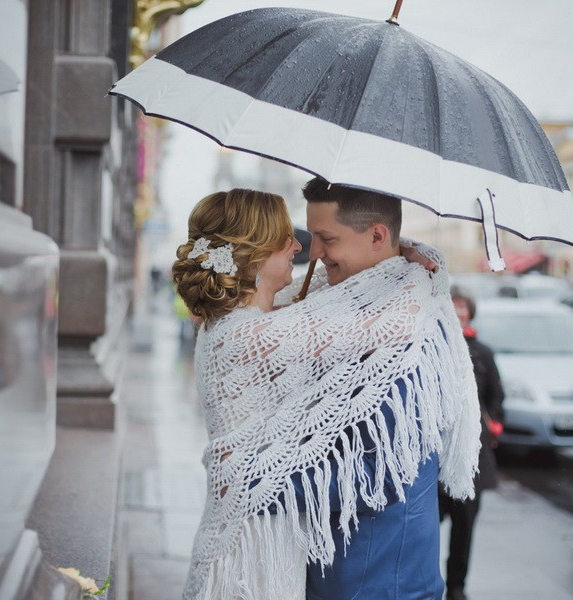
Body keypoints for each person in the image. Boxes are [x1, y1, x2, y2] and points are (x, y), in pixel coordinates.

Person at [173, 187, 480, 600]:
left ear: (375, 235)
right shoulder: (254, 330)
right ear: (255, 257)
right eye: (295, 239)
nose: (309, 251)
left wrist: (408, 255)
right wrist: (417, 268)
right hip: (257, 545)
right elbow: (375, 315)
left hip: (374, 578)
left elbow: (379, 473)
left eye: (326, 238)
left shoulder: (277, 314)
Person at [438, 286, 505, 600]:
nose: (459, 310)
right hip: (437, 452)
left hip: (473, 455)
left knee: (464, 528)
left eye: (463, 305)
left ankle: (456, 587)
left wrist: (493, 428)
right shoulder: (435, 346)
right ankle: (428, 580)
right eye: (453, 305)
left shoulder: (483, 352)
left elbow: (496, 396)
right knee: (426, 527)